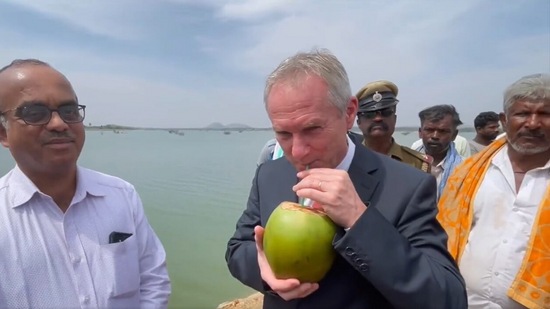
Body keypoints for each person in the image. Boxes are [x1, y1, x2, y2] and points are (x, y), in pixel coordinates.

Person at [225, 49, 466, 309]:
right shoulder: (269, 174)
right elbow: (238, 248)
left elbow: (448, 298)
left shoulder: (409, 185)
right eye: (283, 133)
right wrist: (265, 270)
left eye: (312, 129)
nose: (297, 151)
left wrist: (359, 219)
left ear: (349, 112)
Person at [0, 59, 171, 308]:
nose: (59, 124)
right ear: (3, 133)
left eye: (69, 111)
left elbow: (153, 279)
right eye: (35, 113)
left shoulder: (121, 195)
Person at [438, 73, 550, 308]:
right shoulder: (470, 172)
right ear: (505, 119)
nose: (532, 123)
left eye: (545, 114)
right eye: (522, 113)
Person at [355, 80, 431, 172]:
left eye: (386, 112)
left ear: (395, 119)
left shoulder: (418, 163)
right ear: (359, 122)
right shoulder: (348, 160)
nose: (378, 118)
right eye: (370, 114)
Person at [413, 104, 464, 198]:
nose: (435, 136)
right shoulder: (406, 163)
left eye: (443, 131)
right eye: (429, 130)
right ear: (420, 132)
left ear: (454, 135)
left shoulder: (466, 169)